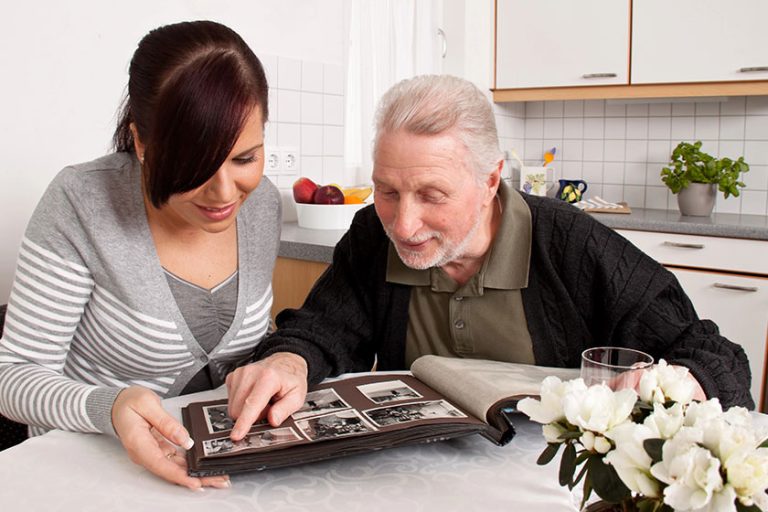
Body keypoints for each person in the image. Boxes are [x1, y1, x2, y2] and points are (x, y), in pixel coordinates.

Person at [225, 74, 754, 440]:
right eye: (387, 191)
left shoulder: (572, 245)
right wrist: (288, 360)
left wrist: (686, 381)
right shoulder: (372, 234)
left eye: (432, 196)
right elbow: (325, 329)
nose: (403, 225)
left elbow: (715, 357)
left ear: (490, 180)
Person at [0, 20, 286, 489]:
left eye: (244, 159)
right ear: (141, 142)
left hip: (215, 472)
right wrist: (109, 408)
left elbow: (251, 340)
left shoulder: (261, 205)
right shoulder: (82, 201)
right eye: (195, 166)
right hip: (90, 471)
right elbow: (12, 377)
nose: (224, 193)